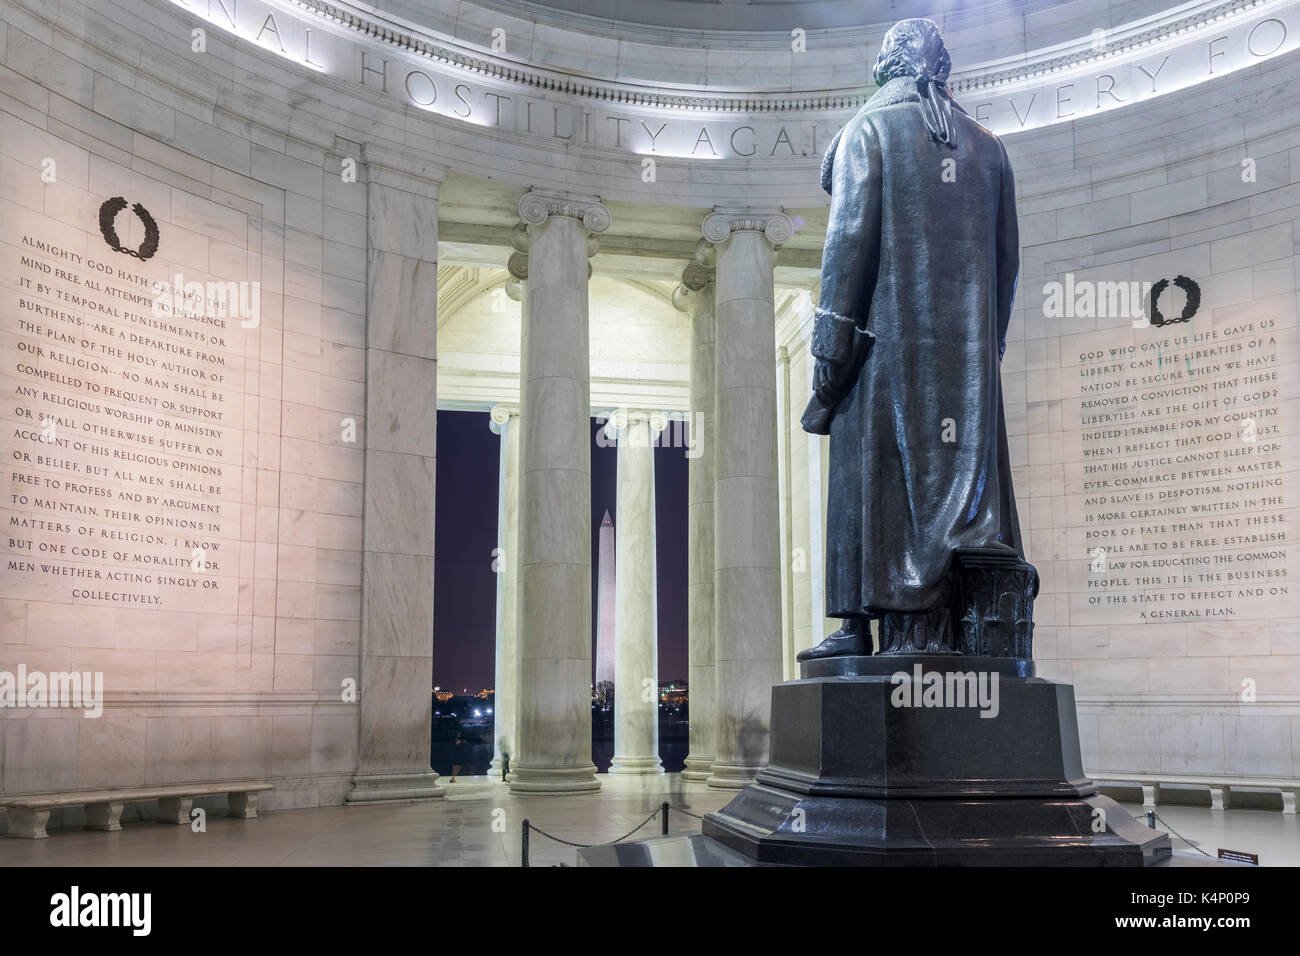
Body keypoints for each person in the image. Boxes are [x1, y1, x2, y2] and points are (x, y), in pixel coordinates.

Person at [798, 18, 1030, 661]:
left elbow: (847, 246)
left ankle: (857, 626)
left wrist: (829, 349)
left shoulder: (867, 131)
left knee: (865, 479)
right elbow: (1008, 266)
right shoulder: (992, 150)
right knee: (964, 481)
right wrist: (987, 347)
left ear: (886, 68)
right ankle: (958, 632)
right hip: (968, 366)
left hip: (885, 359)